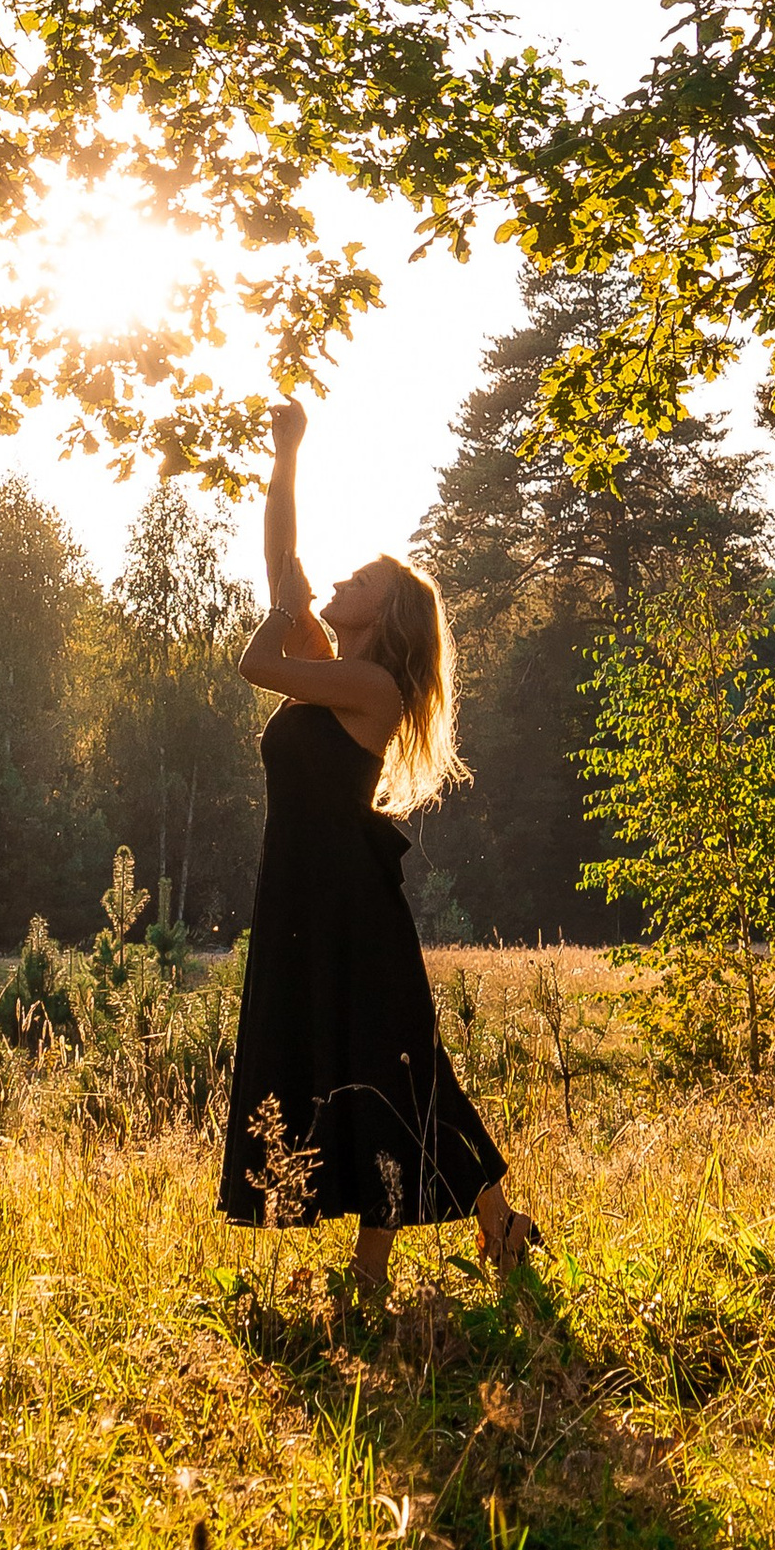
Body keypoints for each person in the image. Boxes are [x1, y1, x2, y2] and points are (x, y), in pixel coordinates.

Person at [218, 399, 539, 1305]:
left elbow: (252, 664)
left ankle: (370, 1272)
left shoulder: (367, 684)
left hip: (352, 907)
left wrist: (280, 618)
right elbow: (283, 559)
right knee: (401, 1067)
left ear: (384, 611)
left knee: (386, 1072)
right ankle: (503, 1227)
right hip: (302, 900)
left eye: (357, 578)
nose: (339, 582)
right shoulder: (328, 658)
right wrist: (288, 458)